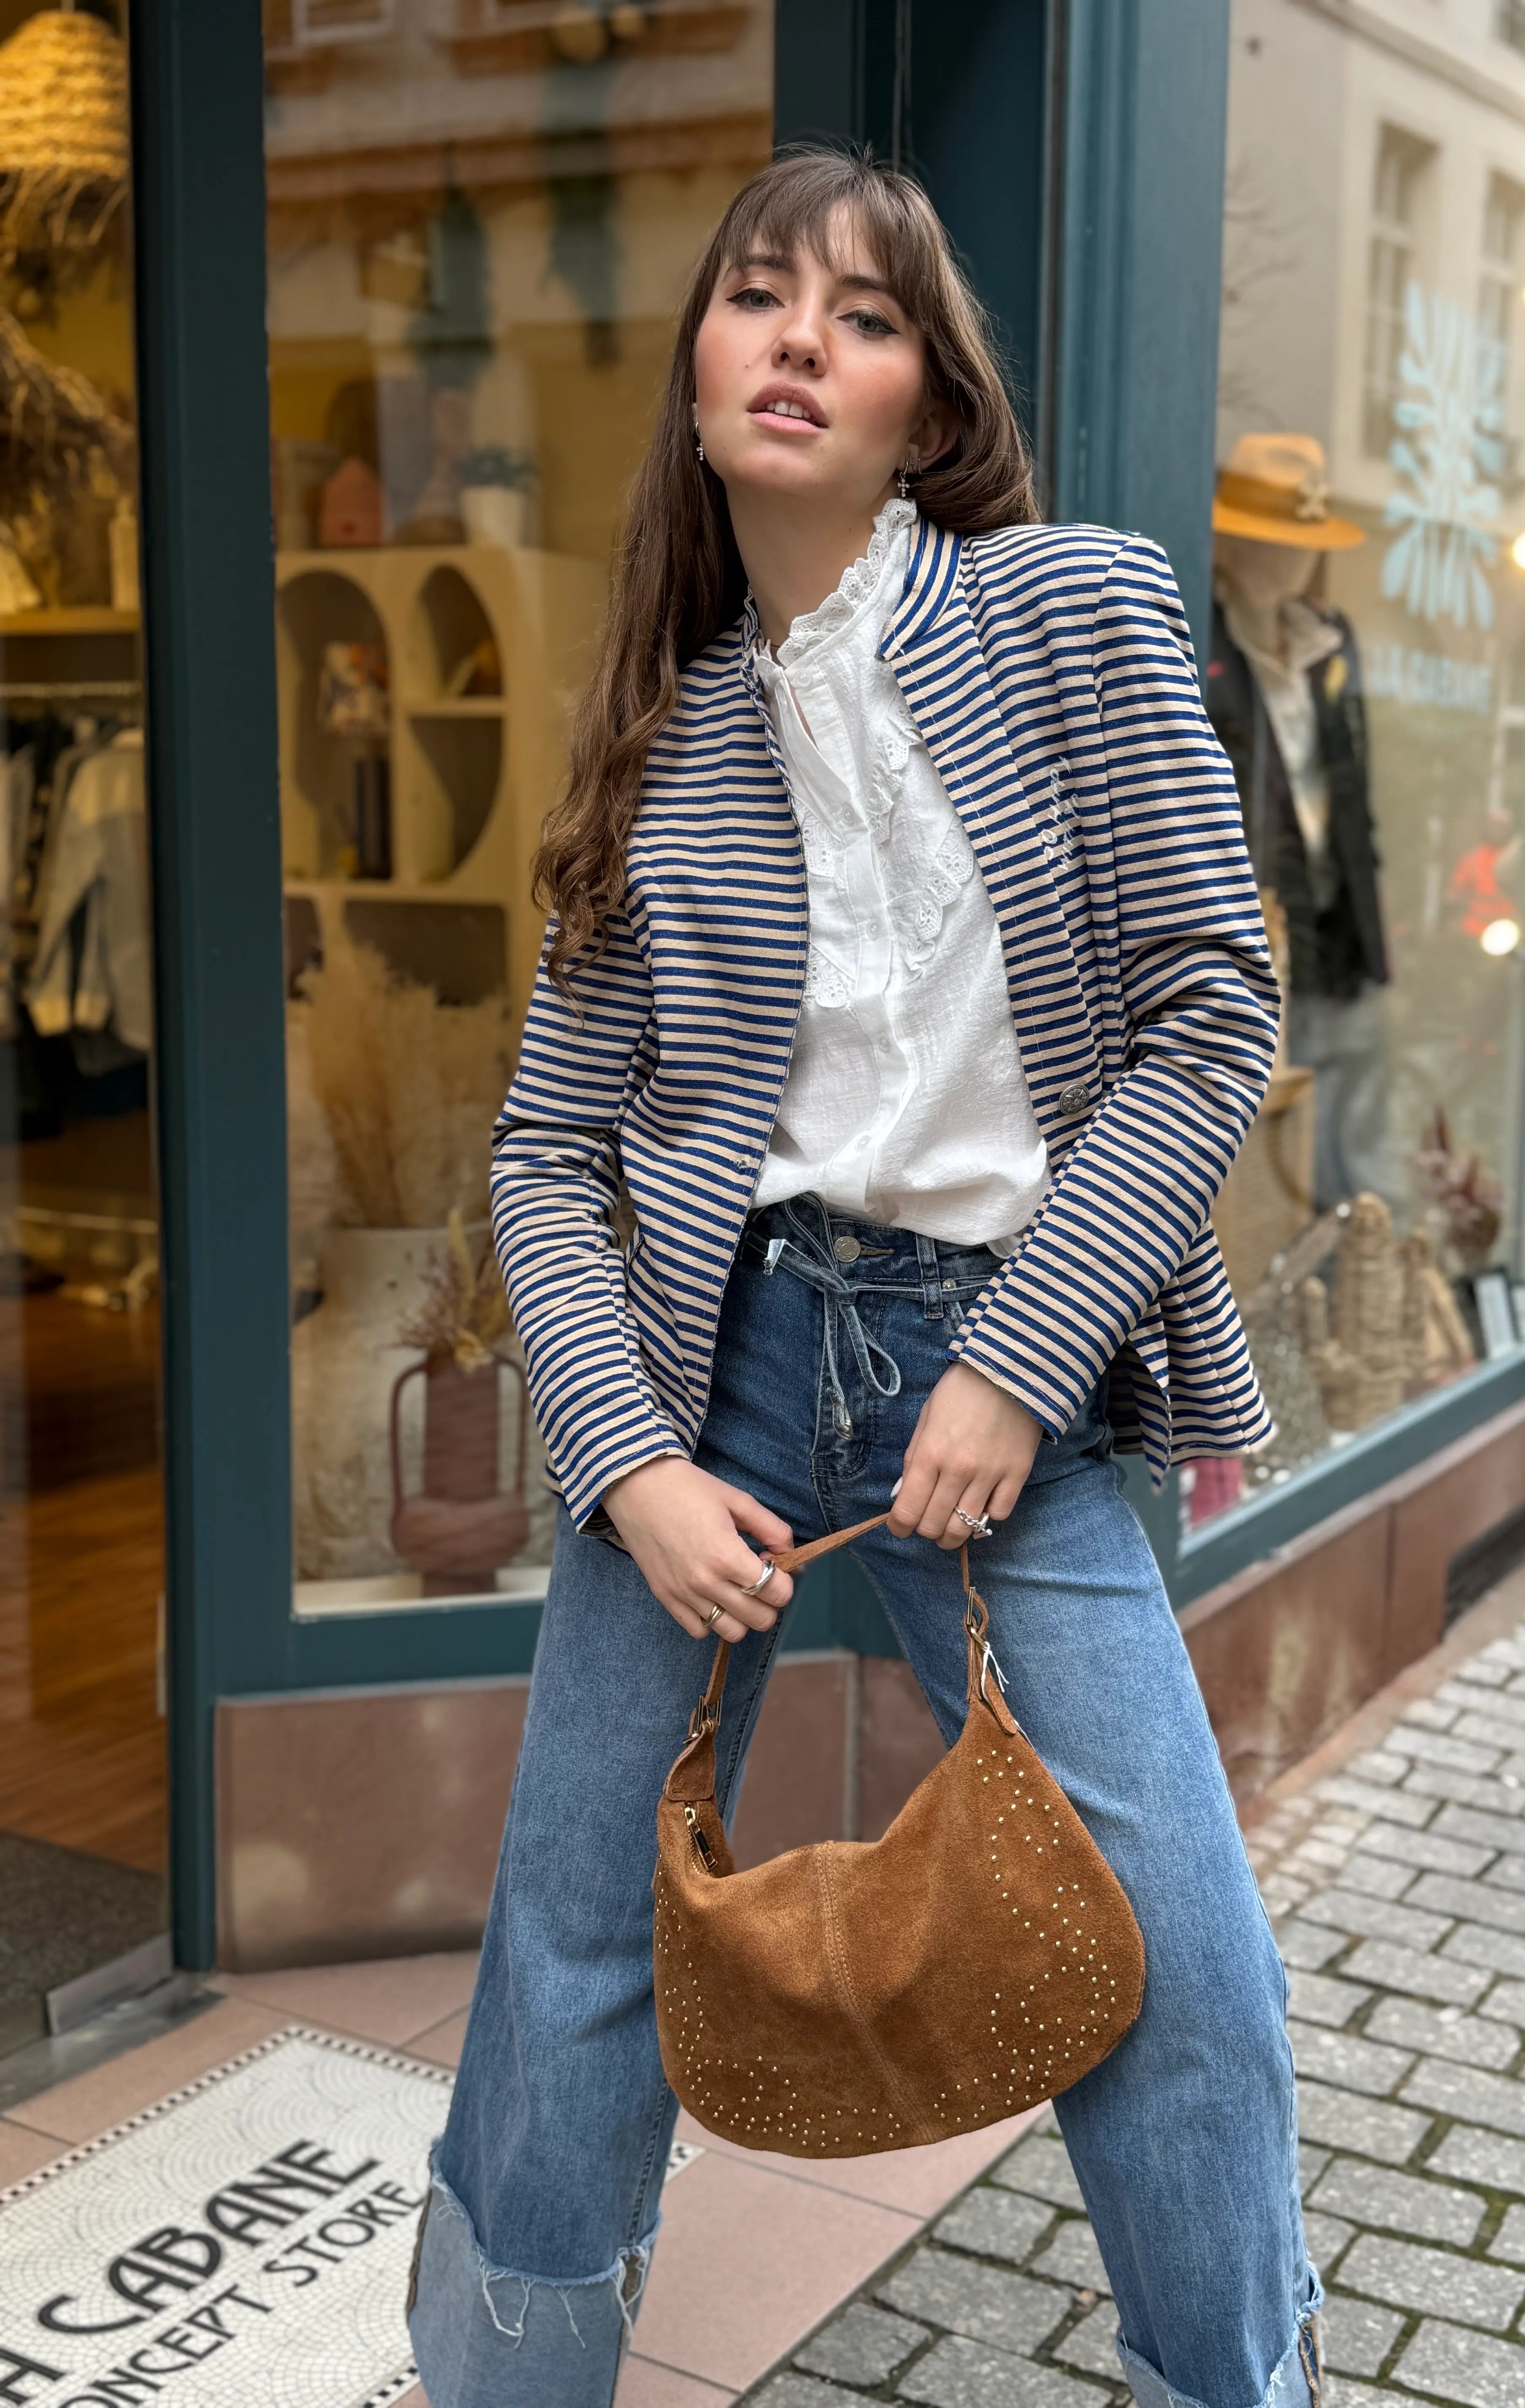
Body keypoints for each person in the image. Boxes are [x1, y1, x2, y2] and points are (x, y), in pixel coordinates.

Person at [407, 150, 1322, 2408]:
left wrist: (1017, 1362)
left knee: (1179, 1978)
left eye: (867, 311)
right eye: (757, 294)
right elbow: (546, 1152)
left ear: (930, 405)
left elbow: (1212, 1009)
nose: (802, 336)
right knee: (576, 1952)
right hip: (703, 1369)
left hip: (996, 1359)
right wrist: (623, 1466)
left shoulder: (1068, 610)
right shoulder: (660, 727)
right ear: (700, 372)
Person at [1206, 432, 1397, 1211]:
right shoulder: (1199, 647)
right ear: (1228, 544)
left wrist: (1372, 924)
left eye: (1294, 544)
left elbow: (1353, 795)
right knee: (1267, 1164)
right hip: (1256, 936)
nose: (1278, 561)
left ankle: (1371, 1268)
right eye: (1261, 541)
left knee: (1364, 1146)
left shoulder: (1331, 643)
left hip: (1340, 934)